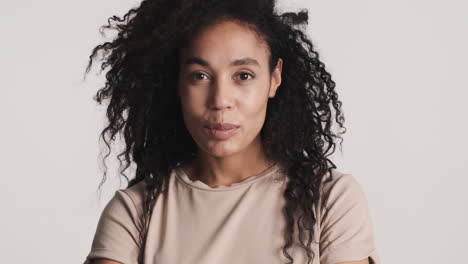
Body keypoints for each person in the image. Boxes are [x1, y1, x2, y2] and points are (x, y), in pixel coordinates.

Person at [82, 0, 380, 263]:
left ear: (275, 78)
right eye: (199, 76)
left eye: (243, 75)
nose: (220, 100)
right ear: (177, 83)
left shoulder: (329, 201)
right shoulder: (134, 214)